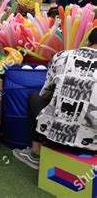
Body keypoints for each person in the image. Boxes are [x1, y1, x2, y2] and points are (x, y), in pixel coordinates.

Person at [13, 27, 97, 170]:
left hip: (54, 137)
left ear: (88, 41)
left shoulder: (62, 56)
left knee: (34, 98)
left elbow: (45, 93)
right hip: (92, 146)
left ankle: (36, 153)